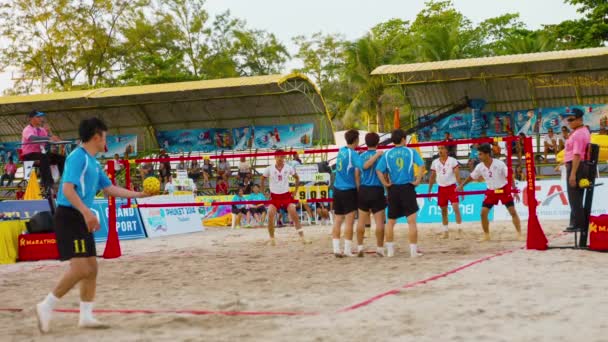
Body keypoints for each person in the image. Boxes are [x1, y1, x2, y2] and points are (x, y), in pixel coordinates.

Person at [35, 118, 151, 333]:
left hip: (80, 216)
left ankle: (86, 317)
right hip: (70, 216)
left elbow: (109, 189)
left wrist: (140, 195)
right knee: (81, 268)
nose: (105, 141)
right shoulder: (77, 157)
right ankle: (46, 305)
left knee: (92, 269)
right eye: (105, 137)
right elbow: (68, 189)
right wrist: (87, 212)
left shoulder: (94, 162)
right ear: (96, 136)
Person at [376, 129, 425, 258]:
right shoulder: (410, 151)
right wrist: (418, 180)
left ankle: (390, 252)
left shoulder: (387, 154)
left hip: (393, 189)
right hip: (407, 187)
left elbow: (379, 170)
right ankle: (413, 252)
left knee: (391, 222)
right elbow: (421, 165)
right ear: (403, 139)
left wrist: (385, 184)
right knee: (411, 222)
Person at [458, 143, 522, 241]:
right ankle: (486, 235)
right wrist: (462, 185)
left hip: (503, 189)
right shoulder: (479, 166)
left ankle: (519, 233)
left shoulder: (499, 164)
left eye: (480, 154)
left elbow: (509, 176)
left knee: (512, 212)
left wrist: (514, 190)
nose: (478, 156)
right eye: (478, 154)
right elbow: (472, 177)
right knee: (483, 213)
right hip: (491, 191)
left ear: (487, 154)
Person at [260, 149, 310, 246]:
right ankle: (272, 239)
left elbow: (297, 178)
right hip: (274, 196)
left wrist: (295, 191)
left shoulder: (288, 167)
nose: (280, 158)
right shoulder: (269, 168)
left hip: (286, 195)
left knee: (294, 213)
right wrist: (264, 193)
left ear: (284, 157)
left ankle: (303, 238)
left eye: (282, 156)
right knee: (270, 214)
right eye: (278, 156)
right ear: (275, 157)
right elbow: (262, 179)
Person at [330, 130, 362, 257]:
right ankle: (347, 250)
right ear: (356, 140)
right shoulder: (353, 154)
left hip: (337, 189)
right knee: (349, 221)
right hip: (349, 190)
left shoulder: (341, 151)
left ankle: (336, 249)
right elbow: (363, 166)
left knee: (338, 220)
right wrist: (376, 156)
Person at [355, 132, 386, 257]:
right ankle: (379, 248)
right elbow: (385, 174)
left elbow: (356, 174)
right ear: (378, 143)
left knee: (361, 221)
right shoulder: (381, 156)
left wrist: (359, 188)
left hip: (364, 189)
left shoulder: (361, 156)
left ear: (366, 143)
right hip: (377, 189)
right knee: (379, 222)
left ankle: (360, 247)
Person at [21, 110, 66, 189]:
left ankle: (65, 181)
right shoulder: (27, 129)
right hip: (28, 155)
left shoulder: (42, 130)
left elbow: (50, 138)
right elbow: (33, 138)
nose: (41, 119)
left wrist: (50, 133)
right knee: (44, 157)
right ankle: (47, 183)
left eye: (41, 117)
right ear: (31, 119)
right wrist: (49, 138)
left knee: (61, 158)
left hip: (40, 154)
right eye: (38, 117)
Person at [563, 108, 591, 233]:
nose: (568, 122)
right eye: (568, 119)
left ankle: (580, 224)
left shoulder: (579, 134)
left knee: (574, 197)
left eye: (571, 119)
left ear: (579, 119)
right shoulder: (580, 131)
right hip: (579, 165)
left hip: (577, 166)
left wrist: (573, 174)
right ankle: (577, 223)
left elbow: (577, 155)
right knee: (576, 197)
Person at [428, 145, 463, 238]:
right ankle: (445, 232)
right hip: (441, 188)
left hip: (452, 187)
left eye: (442, 148)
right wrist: (429, 191)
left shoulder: (452, 160)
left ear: (446, 150)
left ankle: (459, 230)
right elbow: (432, 177)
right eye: (439, 148)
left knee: (456, 208)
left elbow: (457, 175)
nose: (440, 150)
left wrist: (461, 189)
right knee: (443, 211)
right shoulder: (435, 162)